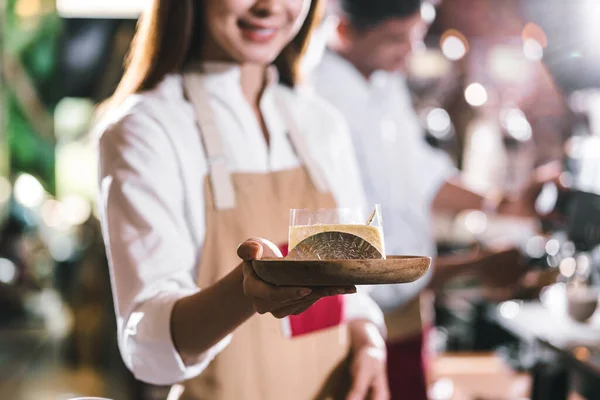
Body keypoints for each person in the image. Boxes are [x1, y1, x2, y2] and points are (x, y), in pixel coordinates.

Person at [95, 1, 390, 399]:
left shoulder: (322, 124)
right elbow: (149, 348)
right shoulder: (146, 129)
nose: (269, 7)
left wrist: (368, 338)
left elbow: (351, 286)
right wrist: (245, 290)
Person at [312, 0, 560, 398]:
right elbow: (347, 258)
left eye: (414, 36)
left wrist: (506, 203)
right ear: (342, 31)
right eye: (396, 39)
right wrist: (473, 269)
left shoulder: (384, 82)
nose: (410, 52)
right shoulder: (318, 99)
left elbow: (423, 176)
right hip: (358, 322)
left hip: (410, 310)